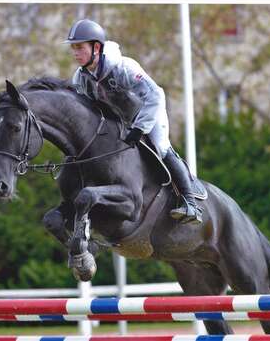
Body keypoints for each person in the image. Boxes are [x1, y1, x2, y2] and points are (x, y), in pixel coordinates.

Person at [65, 19, 202, 224]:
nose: (75, 53)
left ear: (96, 47)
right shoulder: (80, 78)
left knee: (161, 147)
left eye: (80, 47)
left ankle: (191, 203)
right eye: (73, 48)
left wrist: (140, 128)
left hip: (148, 114)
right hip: (121, 122)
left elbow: (155, 95)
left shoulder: (124, 68)